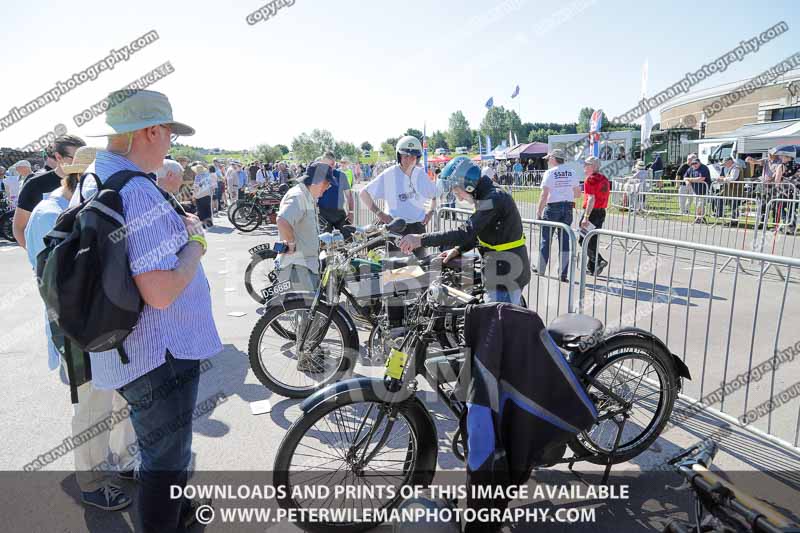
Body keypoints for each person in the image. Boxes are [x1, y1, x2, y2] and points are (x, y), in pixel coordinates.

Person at [73, 89, 222, 532]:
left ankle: (180, 514)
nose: (171, 144)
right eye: (170, 134)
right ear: (151, 131)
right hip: (160, 354)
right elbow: (159, 292)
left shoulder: (97, 176)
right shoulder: (136, 190)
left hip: (126, 347)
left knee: (163, 455)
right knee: (165, 460)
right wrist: (195, 245)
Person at [24, 145, 139, 512]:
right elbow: (51, 282)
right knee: (92, 407)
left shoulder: (91, 206)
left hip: (106, 327)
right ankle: (91, 480)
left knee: (121, 399)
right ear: (80, 178)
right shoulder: (50, 213)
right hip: (77, 332)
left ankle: (124, 461)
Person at [398, 156, 530, 304]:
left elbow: (465, 232)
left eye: (456, 190)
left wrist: (421, 239)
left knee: (493, 321)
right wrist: (458, 250)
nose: (458, 198)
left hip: (506, 274)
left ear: (468, 184)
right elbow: (478, 233)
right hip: (498, 267)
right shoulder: (485, 196)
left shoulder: (493, 198)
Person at [359, 135, 437, 257]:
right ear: (399, 156)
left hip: (418, 229)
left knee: (421, 267)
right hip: (397, 230)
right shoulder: (390, 175)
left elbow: (434, 195)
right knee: (397, 270)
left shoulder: (421, 174)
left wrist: (430, 212)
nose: (410, 159)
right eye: (405, 156)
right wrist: (381, 214)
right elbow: (363, 194)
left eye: (413, 156)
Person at [14, 136, 85, 248]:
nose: (81, 163)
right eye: (75, 158)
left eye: (84, 158)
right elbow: (19, 227)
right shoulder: (35, 184)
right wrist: (38, 258)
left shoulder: (89, 182)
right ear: (58, 157)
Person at [275, 162, 333, 295]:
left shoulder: (307, 196)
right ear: (319, 182)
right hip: (299, 267)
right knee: (307, 311)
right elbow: (282, 220)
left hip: (305, 266)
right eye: (328, 184)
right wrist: (291, 246)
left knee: (310, 311)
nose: (328, 188)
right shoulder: (299, 196)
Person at [535, 149, 581, 282]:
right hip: (567, 207)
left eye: (549, 158)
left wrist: (538, 211)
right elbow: (578, 193)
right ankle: (563, 274)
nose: (548, 160)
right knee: (564, 241)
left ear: (554, 158)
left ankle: (541, 269)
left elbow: (544, 195)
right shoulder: (571, 172)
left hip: (553, 207)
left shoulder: (550, 173)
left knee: (546, 240)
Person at [580, 157, 610, 276]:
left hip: (592, 212)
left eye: (586, 164)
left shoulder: (590, 179)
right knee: (593, 239)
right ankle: (592, 268)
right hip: (601, 212)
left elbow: (591, 199)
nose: (584, 167)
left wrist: (586, 216)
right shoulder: (604, 179)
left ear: (592, 166)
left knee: (583, 240)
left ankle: (599, 260)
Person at [317, 151, 354, 237]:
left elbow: (349, 195)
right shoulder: (318, 176)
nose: (330, 166)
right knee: (324, 242)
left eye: (332, 164)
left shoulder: (341, 175)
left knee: (348, 239)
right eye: (327, 164)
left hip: (339, 213)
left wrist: (351, 212)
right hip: (323, 214)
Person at [684, 156, 711, 223]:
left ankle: (699, 217)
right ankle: (699, 217)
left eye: (696, 163)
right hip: (695, 190)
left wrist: (690, 180)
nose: (694, 165)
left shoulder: (704, 168)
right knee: (696, 204)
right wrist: (687, 181)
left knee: (700, 204)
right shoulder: (691, 168)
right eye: (693, 164)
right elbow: (685, 177)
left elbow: (702, 178)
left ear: (699, 163)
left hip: (703, 190)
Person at [713, 157, 741, 222]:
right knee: (718, 197)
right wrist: (720, 178)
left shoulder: (736, 167)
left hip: (735, 189)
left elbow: (733, 178)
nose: (724, 165)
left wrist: (723, 179)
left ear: (730, 161)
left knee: (734, 205)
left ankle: (734, 220)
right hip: (727, 188)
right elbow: (723, 176)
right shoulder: (726, 168)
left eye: (725, 163)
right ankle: (719, 214)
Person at [192, 163, 214, 227]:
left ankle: (203, 224)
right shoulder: (207, 176)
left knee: (201, 210)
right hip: (207, 194)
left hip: (200, 195)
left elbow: (196, 186)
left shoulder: (197, 176)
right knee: (207, 209)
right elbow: (211, 185)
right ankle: (209, 223)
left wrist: (194, 194)